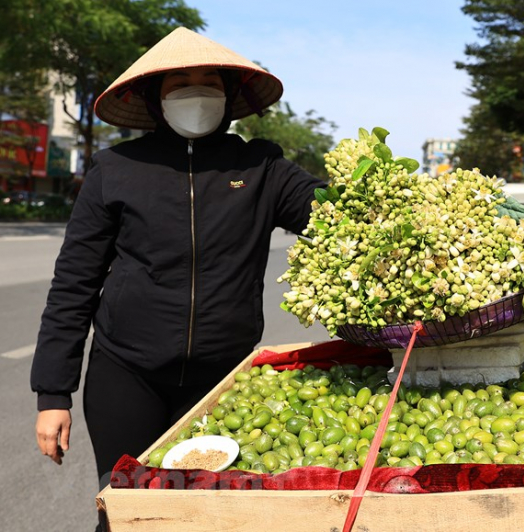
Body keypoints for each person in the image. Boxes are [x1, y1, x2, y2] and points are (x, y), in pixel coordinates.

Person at [30, 26, 326, 504]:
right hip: (126, 375)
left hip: (224, 378)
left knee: (208, 510)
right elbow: (73, 284)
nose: (196, 92)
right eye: (179, 82)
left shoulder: (261, 167)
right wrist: (52, 395)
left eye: (209, 80)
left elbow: (331, 215)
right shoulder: (115, 169)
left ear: (228, 94)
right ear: (155, 97)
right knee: (128, 507)